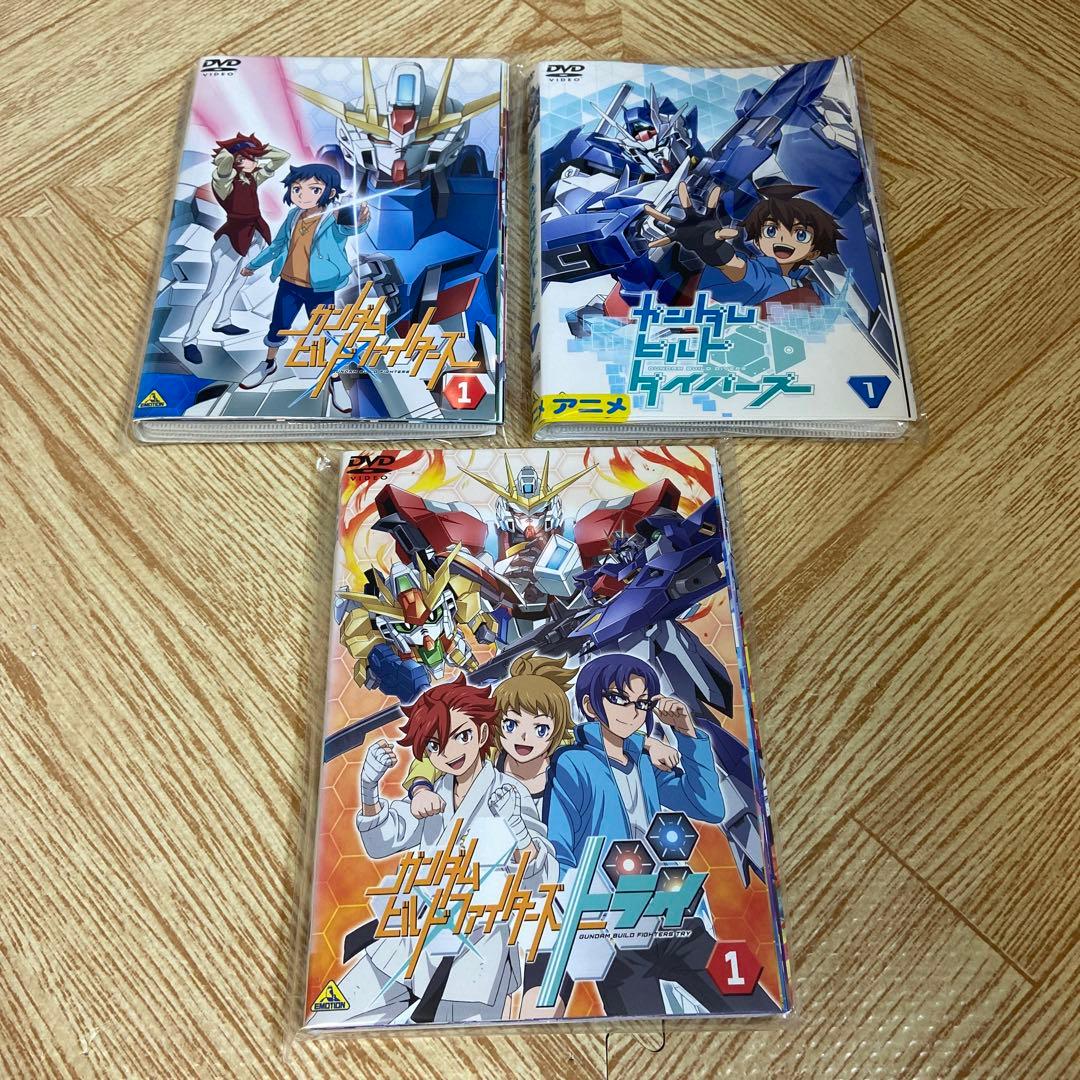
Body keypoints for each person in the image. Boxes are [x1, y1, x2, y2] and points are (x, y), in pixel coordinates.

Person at [238, 163, 369, 410]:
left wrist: (360, 220)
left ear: (330, 193)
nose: (303, 195)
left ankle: (334, 378)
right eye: (297, 188)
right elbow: (278, 245)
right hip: (289, 283)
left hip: (320, 288)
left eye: (314, 189)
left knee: (325, 334)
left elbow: (350, 228)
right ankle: (269, 364)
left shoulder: (333, 217)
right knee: (278, 326)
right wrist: (253, 265)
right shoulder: (293, 216)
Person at [182, 133, 289, 364]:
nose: (255, 162)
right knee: (212, 292)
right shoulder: (224, 181)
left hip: (255, 235)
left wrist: (257, 150)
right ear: (238, 160)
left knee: (239, 282)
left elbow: (282, 157)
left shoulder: (252, 178)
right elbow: (224, 165)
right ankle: (189, 340)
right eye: (250, 158)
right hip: (232, 240)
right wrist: (236, 153)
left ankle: (222, 321)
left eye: (255, 158)